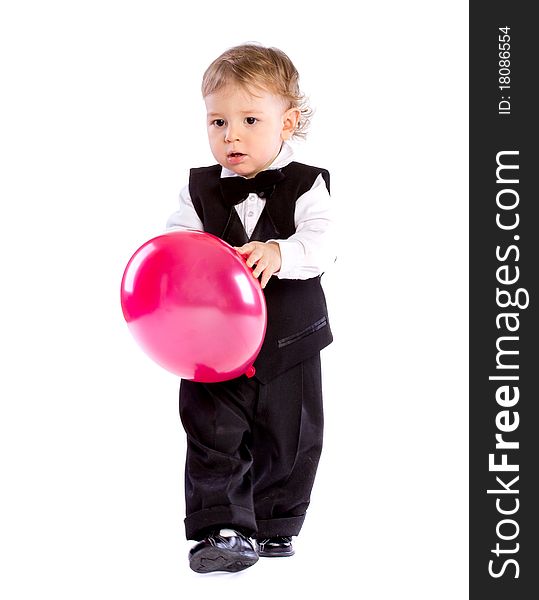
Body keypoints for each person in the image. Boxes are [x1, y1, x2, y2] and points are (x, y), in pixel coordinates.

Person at [166, 43, 334, 573]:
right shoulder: (199, 190)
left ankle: (275, 524)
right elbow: (175, 244)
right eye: (217, 120)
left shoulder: (307, 184)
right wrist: (190, 266)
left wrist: (280, 251)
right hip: (214, 344)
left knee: (293, 434)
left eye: (248, 119)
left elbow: (325, 242)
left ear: (288, 123)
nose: (230, 134)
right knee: (211, 430)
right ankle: (222, 528)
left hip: (289, 339)